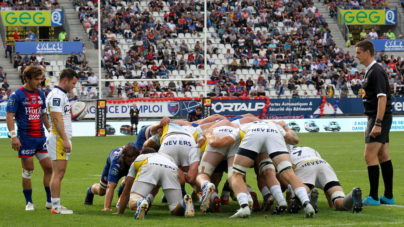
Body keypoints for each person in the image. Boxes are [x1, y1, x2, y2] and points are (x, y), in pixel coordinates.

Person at [207, 120, 315, 218]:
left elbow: (218, 142)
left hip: (253, 135)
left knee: (237, 174)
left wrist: (207, 134)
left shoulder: (244, 126)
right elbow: (295, 140)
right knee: (289, 174)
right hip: (274, 134)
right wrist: (286, 127)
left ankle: (244, 206)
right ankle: (306, 203)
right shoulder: (275, 126)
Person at [6, 66, 53, 211]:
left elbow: (44, 115)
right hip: (25, 139)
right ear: (27, 78)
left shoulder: (41, 94)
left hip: (40, 138)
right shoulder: (16, 95)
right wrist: (14, 136)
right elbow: (9, 116)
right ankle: (29, 202)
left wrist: (50, 131)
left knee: (49, 168)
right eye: (36, 79)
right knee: (28, 170)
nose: (39, 82)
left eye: (40, 79)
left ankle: (50, 201)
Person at [355, 40, 394, 206]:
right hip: (376, 117)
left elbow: (382, 98)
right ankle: (388, 196)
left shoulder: (375, 71)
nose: (356, 55)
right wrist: (370, 123)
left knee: (369, 155)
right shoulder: (370, 71)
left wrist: (377, 122)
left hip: (380, 117)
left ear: (367, 53)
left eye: (358, 52)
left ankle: (373, 197)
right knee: (382, 154)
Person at [115, 147, 195, 219]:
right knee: (174, 209)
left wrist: (120, 212)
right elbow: (181, 180)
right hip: (171, 167)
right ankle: (183, 203)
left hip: (149, 165)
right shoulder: (168, 157)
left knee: (133, 200)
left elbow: (126, 190)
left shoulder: (140, 158)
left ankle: (140, 201)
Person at [286, 145, 363, 213]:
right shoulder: (308, 149)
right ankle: (352, 194)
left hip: (303, 166)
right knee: (340, 203)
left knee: (292, 207)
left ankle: (309, 197)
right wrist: (331, 204)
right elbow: (325, 187)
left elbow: (286, 178)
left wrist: (288, 197)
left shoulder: (284, 153)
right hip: (323, 164)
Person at [45, 68, 78, 214]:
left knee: (58, 172)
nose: (73, 86)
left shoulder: (58, 94)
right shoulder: (57, 96)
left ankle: (55, 204)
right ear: (65, 80)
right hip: (58, 138)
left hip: (59, 138)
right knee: (58, 173)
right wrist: (65, 139)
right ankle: (56, 208)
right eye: (73, 83)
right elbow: (57, 119)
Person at [84, 144, 139, 210]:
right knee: (102, 191)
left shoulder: (139, 156)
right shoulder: (116, 164)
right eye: (129, 161)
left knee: (131, 181)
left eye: (134, 160)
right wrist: (107, 208)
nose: (131, 163)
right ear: (123, 159)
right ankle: (90, 190)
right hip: (113, 165)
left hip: (127, 166)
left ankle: (121, 190)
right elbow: (111, 186)